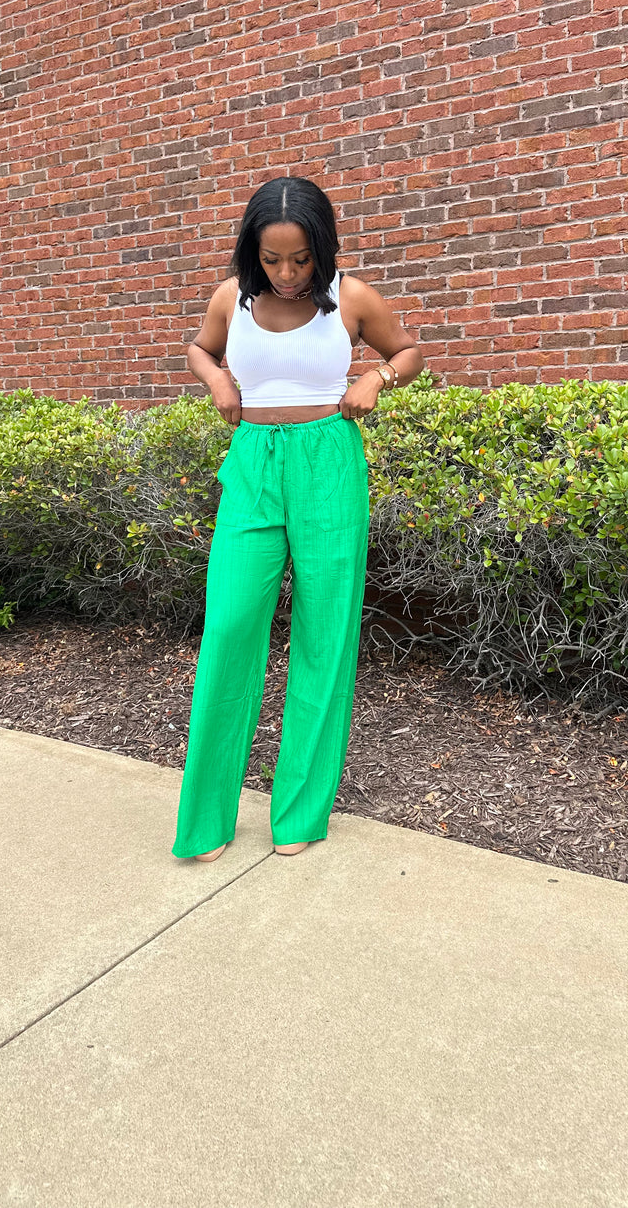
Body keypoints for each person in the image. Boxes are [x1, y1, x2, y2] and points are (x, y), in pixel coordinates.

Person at [172, 176, 424, 862]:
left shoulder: (352, 297)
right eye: (273, 258)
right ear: (254, 252)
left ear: (322, 250)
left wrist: (376, 378)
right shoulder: (234, 296)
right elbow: (199, 346)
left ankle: (300, 814)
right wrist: (219, 380)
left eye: (301, 259)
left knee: (324, 634)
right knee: (228, 625)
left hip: (328, 464)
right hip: (254, 463)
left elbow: (408, 351)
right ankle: (205, 821)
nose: (286, 274)